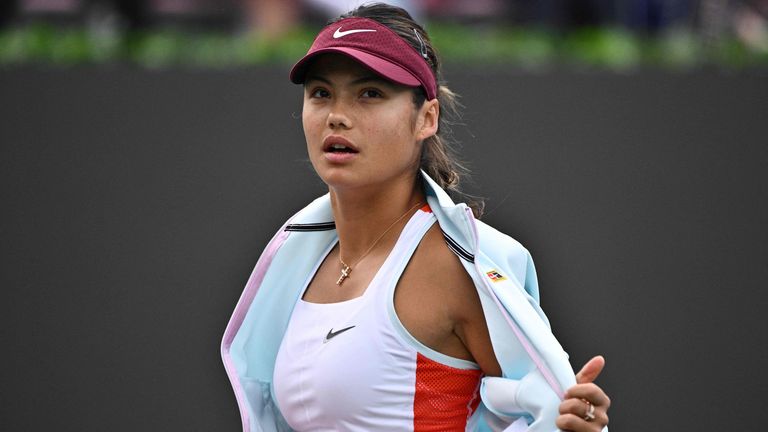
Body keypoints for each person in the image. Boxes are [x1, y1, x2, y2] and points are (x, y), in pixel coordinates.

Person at [221, 3, 611, 431]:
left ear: (426, 117)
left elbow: (543, 407)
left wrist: (572, 425)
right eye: (320, 93)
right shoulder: (293, 262)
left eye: (370, 93)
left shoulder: (453, 264)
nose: (337, 115)